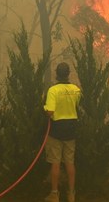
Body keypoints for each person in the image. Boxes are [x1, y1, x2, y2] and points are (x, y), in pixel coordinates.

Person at [43, 62, 82, 202]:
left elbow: (50, 112)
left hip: (56, 130)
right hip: (71, 129)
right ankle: (71, 194)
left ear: (56, 74)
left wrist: (45, 108)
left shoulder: (53, 90)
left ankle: (54, 194)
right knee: (70, 162)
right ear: (68, 73)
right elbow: (77, 106)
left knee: (55, 163)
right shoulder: (76, 90)